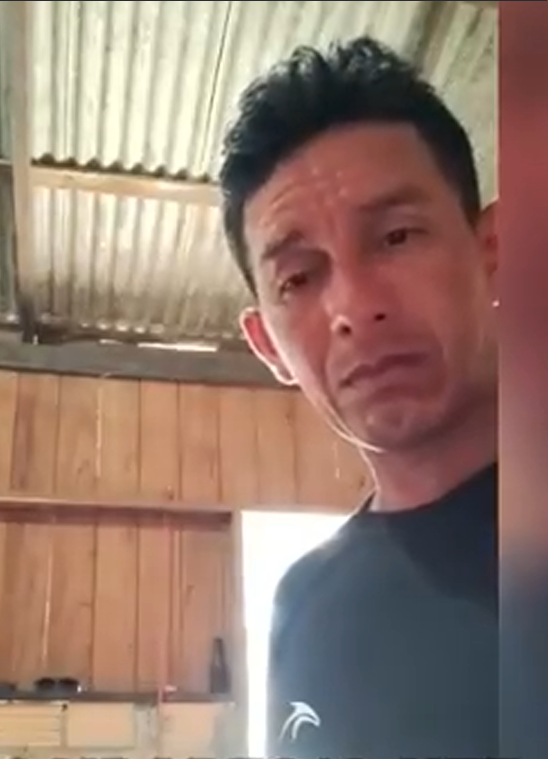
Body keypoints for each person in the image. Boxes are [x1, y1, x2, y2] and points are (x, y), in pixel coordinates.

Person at [218, 37, 498, 759]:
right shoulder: (304, 606)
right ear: (268, 345)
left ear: (493, 252)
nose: (354, 305)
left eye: (396, 236)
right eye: (298, 277)